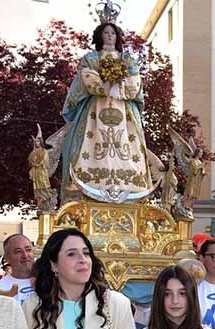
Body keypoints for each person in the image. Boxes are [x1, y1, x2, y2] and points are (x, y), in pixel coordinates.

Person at [57, 22, 156, 202]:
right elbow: (85, 76)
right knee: (92, 141)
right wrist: (104, 86)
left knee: (128, 143)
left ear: (117, 37)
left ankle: (129, 184)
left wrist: (120, 86)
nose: (110, 36)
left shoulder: (127, 59)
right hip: (96, 109)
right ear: (100, 36)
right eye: (106, 32)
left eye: (113, 33)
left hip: (123, 109)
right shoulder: (91, 58)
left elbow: (135, 80)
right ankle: (90, 181)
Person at [0, 234, 36, 305]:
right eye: (18, 251)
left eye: (28, 250)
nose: (25, 255)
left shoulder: (49, 280)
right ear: (7, 258)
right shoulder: (0, 289)